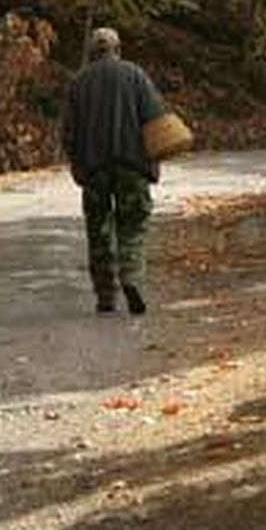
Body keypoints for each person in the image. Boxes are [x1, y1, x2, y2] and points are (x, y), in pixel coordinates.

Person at [62, 27, 166, 315]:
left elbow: (68, 133)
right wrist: (154, 161)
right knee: (132, 224)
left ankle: (105, 295)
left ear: (92, 52)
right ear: (118, 49)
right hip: (132, 166)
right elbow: (156, 120)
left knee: (98, 230)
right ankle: (131, 277)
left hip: (94, 169)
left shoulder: (78, 81)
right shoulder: (135, 75)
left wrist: (77, 165)